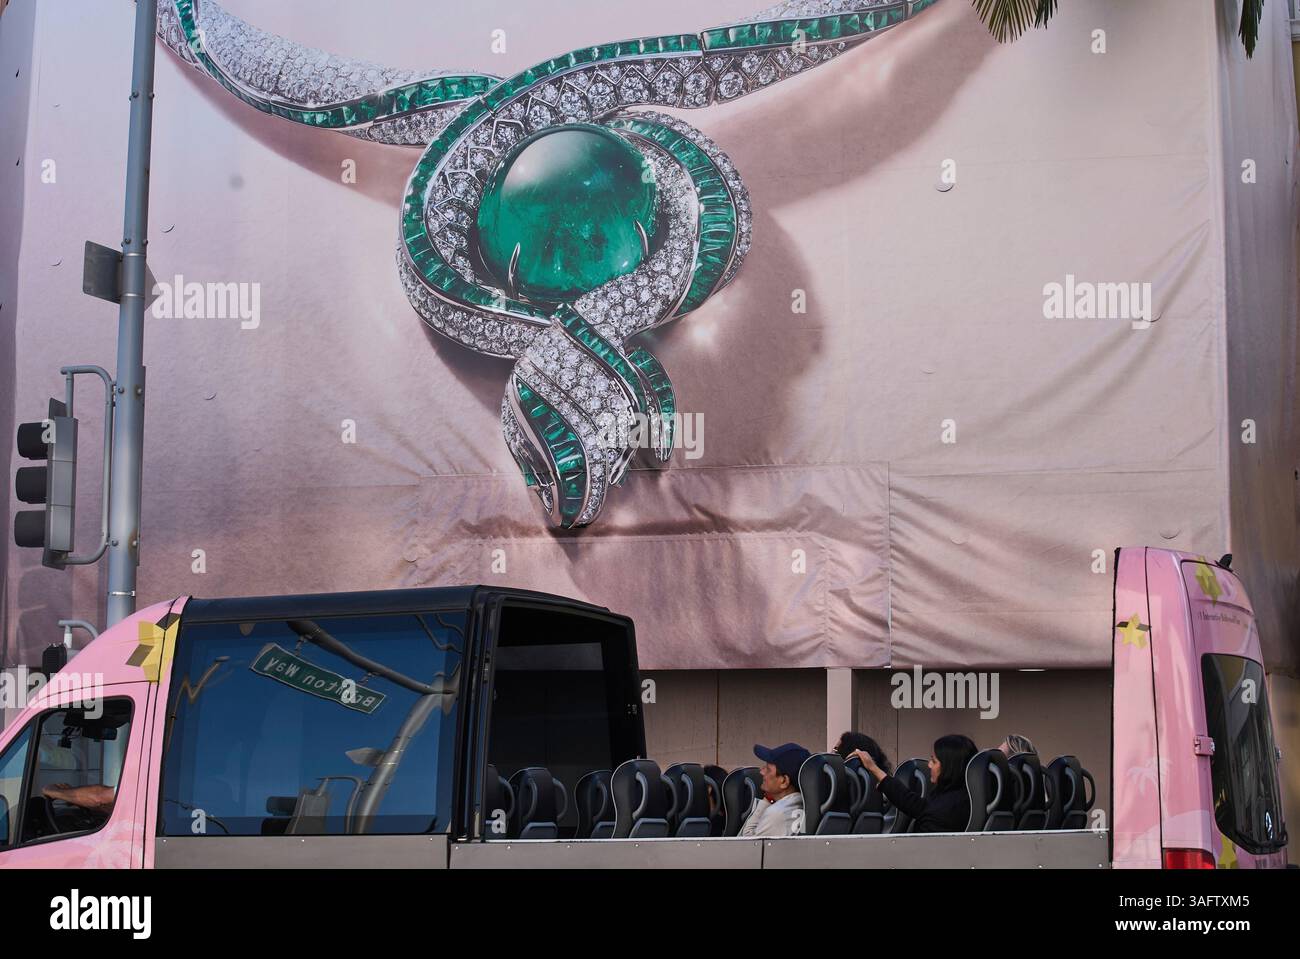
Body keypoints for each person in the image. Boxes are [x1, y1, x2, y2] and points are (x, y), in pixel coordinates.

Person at [851, 734, 977, 833]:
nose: (929, 765)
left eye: (933, 761)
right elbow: (916, 804)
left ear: (950, 766)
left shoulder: (942, 813)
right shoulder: (967, 799)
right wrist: (874, 769)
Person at [738, 742, 809, 838]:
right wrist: (769, 798)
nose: (761, 772)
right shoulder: (804, 804)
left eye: (768, 769)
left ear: (784, 781)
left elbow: (747, 845)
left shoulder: (776, 814)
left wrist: (765, 802)